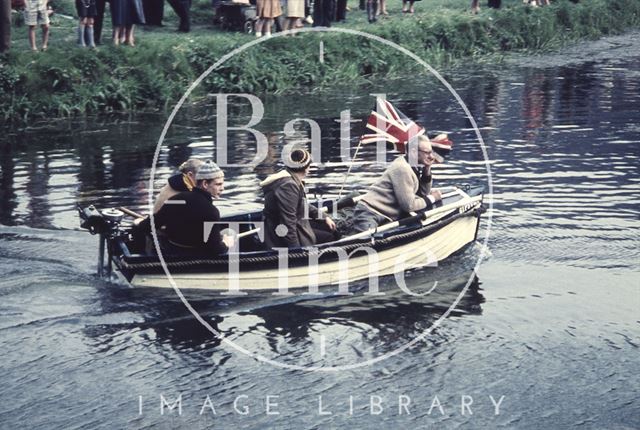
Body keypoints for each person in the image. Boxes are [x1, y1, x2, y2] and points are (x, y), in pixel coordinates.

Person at [350, 135, 443, 233]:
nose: (431, 156)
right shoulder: (403, 169)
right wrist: (433, 198)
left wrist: (427, 169)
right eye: (427, 152)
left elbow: (422, 194)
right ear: (413, 152)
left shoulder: (412, 165)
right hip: (369, 212)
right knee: (368, 241)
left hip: (386, 215)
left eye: (431, 152)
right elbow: (409, 206)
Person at [150, 160, 233, 255]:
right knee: (230, 233)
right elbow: (215, 250)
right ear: (205, 184)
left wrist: (139, 223)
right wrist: (226, 244)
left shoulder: (176, 198)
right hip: (193, 255)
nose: (223, 188)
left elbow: (150, 225)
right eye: (218, 184)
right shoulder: (211, 211)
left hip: (171, 250)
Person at [261, 148, 337, 248]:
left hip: (293, 226)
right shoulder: (288, 186)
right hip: (278, 237)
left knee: (328, 228)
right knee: (330, 237)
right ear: (306, 168)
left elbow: (302, 205)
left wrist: (324, 217)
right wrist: (296, 251)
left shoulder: (291, 179)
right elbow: (288, 223)